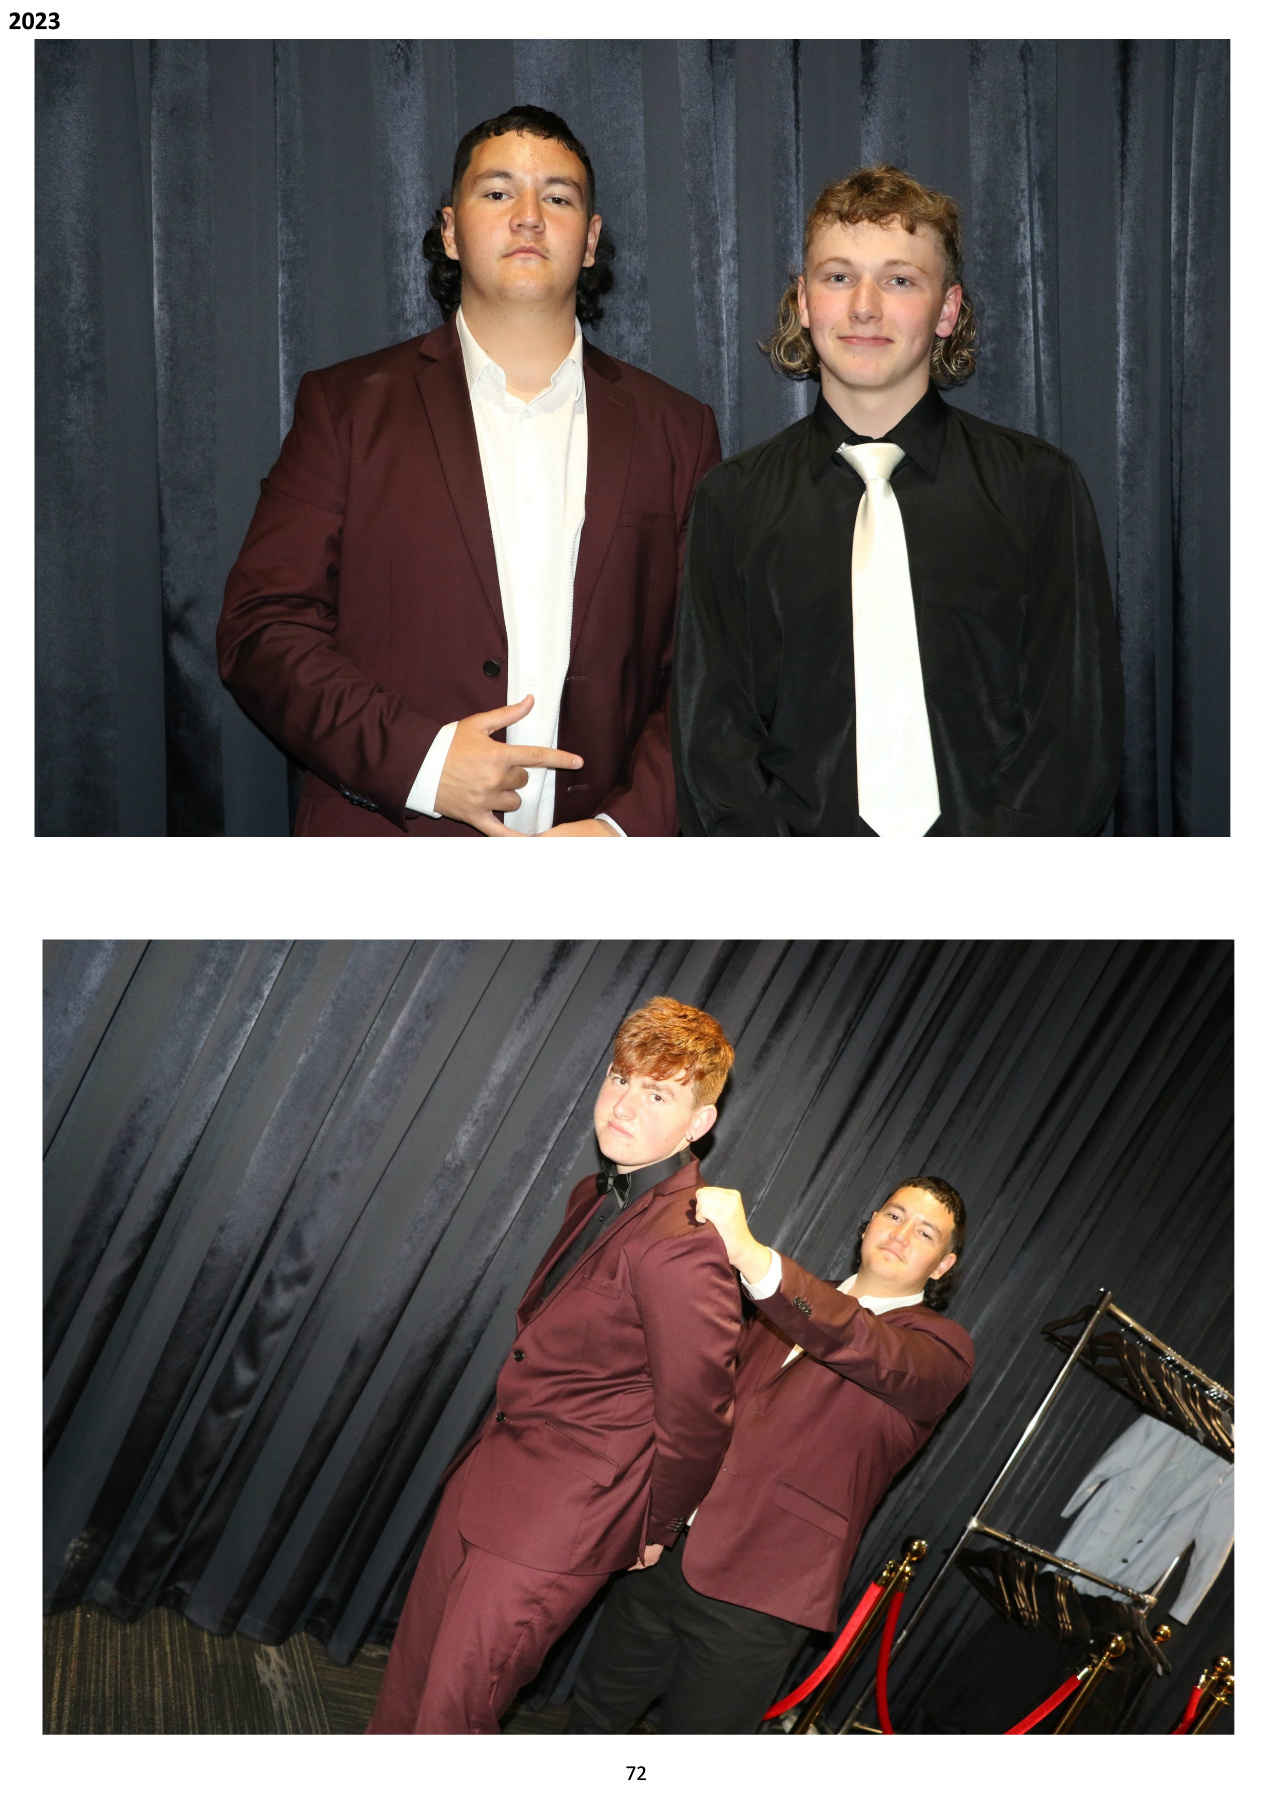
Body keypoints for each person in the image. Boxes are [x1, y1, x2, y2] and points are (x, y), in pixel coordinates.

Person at [219, 105, 720, 837]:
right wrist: (420, 763)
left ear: (590, 241)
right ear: (450, 231)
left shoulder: (678, 429)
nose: (528, 216)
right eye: (498, 192)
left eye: (557, 197)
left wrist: (626, 830)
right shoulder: (346, 408)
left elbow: (709, 672)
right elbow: (262, 630)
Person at [672, 163, 1124, 836]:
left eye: (900, 280)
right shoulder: (732, 502)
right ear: (803, 302)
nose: (864, 306)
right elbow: (712, 741)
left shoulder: (1038, 488)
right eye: (838, 277)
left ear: (948, 310)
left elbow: (1074, 729)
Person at [365, 997, 741, 1733]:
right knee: (407, 1685)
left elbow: (698, 1415)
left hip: (560, 1521)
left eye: (657, 1094)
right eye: (620, 1079)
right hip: (489, 1476)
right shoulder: (593, 1194)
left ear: (698, 1123)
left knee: (451, 1716)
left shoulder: (688, 1245)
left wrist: (654, 1525)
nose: (623, 1105)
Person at [564, 1176, 975, 1734]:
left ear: (943, 1266)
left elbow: (857, 1340)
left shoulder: (941, 1349)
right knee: (591, 1719)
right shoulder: (786, 1302)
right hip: (665, 1556)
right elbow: (706, 1417)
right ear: (869, 1223)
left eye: (925, 1233)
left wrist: (754, 1258)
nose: (901, 1235)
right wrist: (654, 1521)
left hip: (763, 1591)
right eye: (895, 1215)